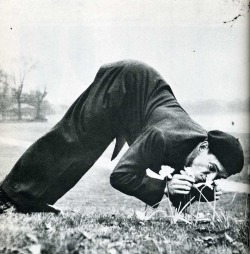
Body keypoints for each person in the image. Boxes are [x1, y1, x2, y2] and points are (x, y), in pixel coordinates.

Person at [0, 60, 244, 214]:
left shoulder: (195, 145)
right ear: (203, 146)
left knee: (81, 155)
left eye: (217, 177)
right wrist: (166, 187)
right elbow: (120, 176)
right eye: (211, 167)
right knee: (73, 142)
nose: (209, 176)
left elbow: (178, 183)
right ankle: (9, 194)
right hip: (123, 82)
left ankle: (32, 201)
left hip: (144, 101)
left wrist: (198, 193)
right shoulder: (162, 135)